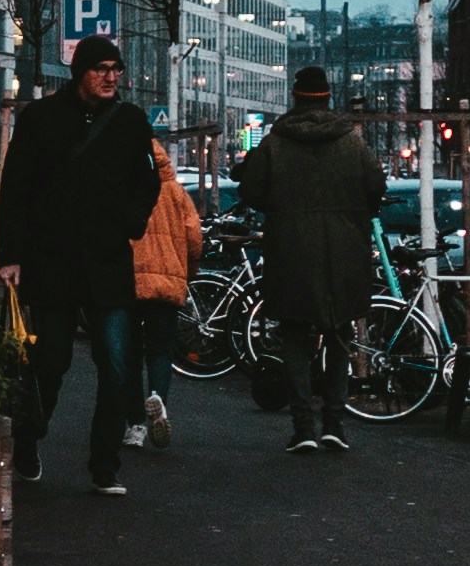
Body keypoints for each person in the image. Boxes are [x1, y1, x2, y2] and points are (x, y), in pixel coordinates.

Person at [0, 32, 159, 495]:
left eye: (116, 70)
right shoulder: (41, 119)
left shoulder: (130, 121)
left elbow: (149, 181)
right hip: (54, 260)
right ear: (79, 72)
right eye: (100, 69)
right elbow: (17, 189)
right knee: (50, 361)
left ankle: (105, 466)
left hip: (108, 260)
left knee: (118, 364)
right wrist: (11, 257)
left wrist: (131, 219)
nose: (111, 78)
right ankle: (29, 438)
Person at [238, 64, 387, 454]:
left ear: (295, 96)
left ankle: (303, 427)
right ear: (328, 97)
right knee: (339, 334)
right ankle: (335, 423)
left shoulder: (275, 142)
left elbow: (252, 192)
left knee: (294, 337)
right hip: (344, 250)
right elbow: (376, 186)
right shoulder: (351, 142)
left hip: (291, 249)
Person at [129, 131, 206, 451]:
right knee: (160, 350)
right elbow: (194, 238)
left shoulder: (124, 188)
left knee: (129, 355)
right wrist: (186, 273)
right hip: (167, 283)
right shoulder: (175, 192)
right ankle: (157, 397)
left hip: (128, 282)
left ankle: (133, 425)